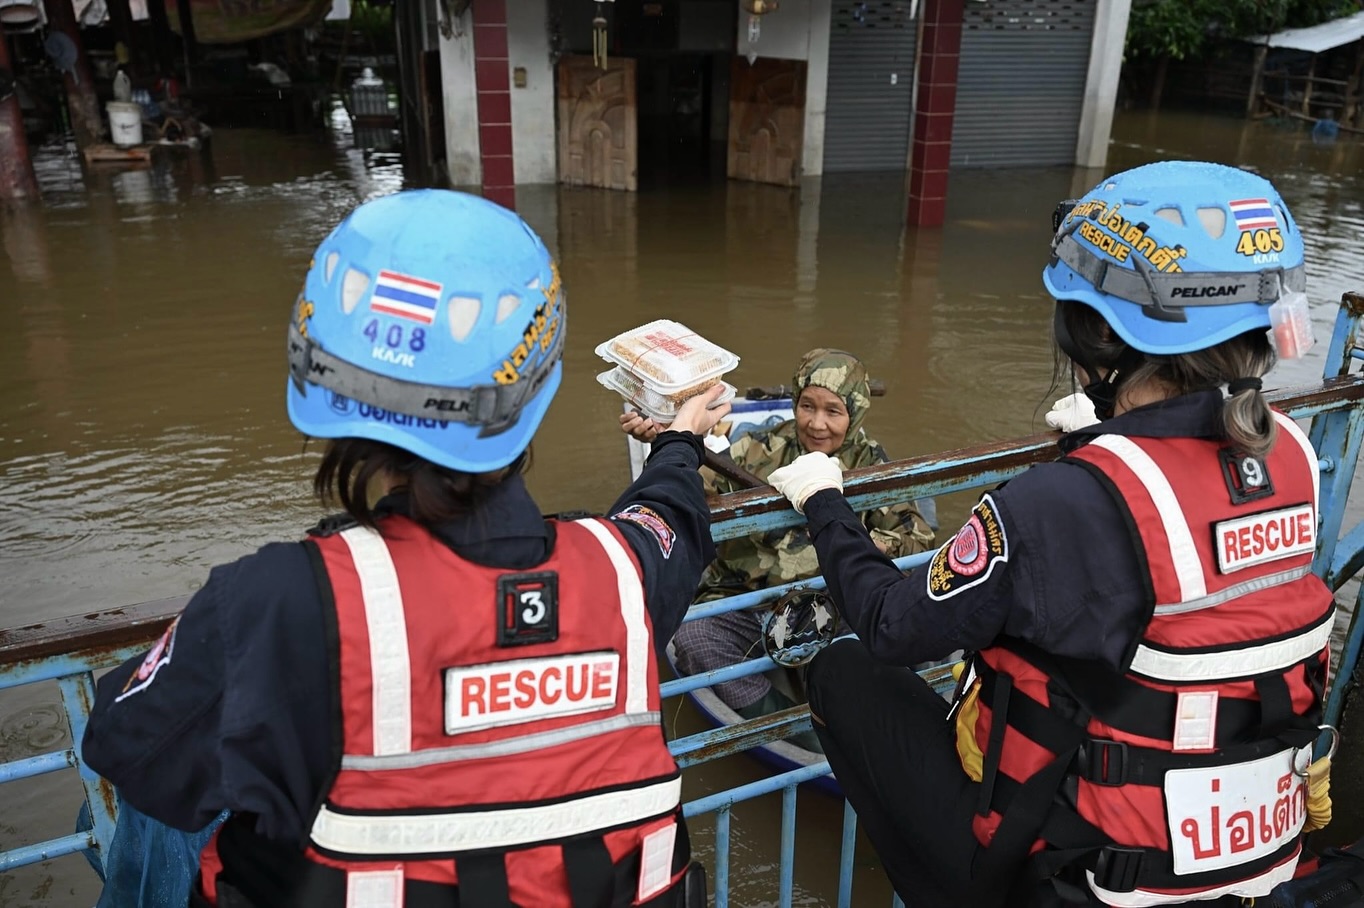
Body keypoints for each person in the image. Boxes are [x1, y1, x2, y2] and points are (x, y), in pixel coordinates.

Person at [80, 189, 729, 908]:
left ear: (322, 378)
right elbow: (667, 514)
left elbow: (128, 747)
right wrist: (678, 440)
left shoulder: (277, 601)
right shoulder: (620, 571)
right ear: (536, 385)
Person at [764, 161, 1335, 907]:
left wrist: (824, 503)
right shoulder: (1292, 455)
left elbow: (892, 625)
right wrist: (1100, 446)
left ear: (1096, 335)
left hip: (1075, 875)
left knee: (845, 669)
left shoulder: (1053, 505)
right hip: (1240, 854)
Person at [620, 349, 935, 733]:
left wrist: (864, 544)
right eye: (807, 407)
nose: (817, 424)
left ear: (856, 414)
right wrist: (668, 443)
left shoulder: (873, 466)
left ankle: (856, 716)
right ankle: (795, 732)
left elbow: (917, 538)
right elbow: (686, 494)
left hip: (832, 610)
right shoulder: (757, 449)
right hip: (753, 606)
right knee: (695, 638)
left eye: (833, 412)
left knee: (891, 634)